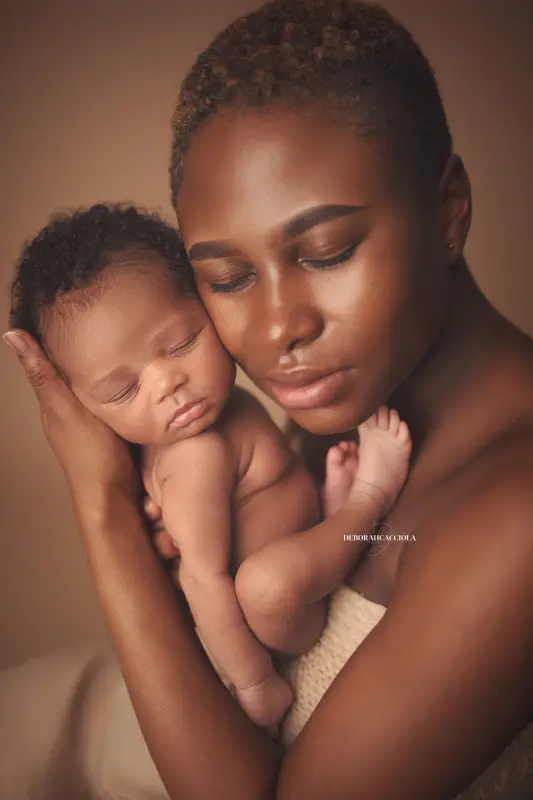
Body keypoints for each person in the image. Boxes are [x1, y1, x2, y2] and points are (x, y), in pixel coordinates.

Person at [2, 0, 533, 797]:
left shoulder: (516, 515)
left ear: (447, 210)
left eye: (327, 251)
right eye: (227, 279)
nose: (277, 328)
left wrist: (103, 506)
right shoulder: (342, 395)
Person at [8, 201, 411, 729]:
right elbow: (201, 580)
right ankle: (367, 501)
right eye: (124, 390)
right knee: (265, 583)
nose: (167, 384)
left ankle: (329, 519)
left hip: (301, 541)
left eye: (182, 343)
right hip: (282, 620)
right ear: (86, 410)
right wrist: (253, 681)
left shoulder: (223, 408)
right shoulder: (192, 457)